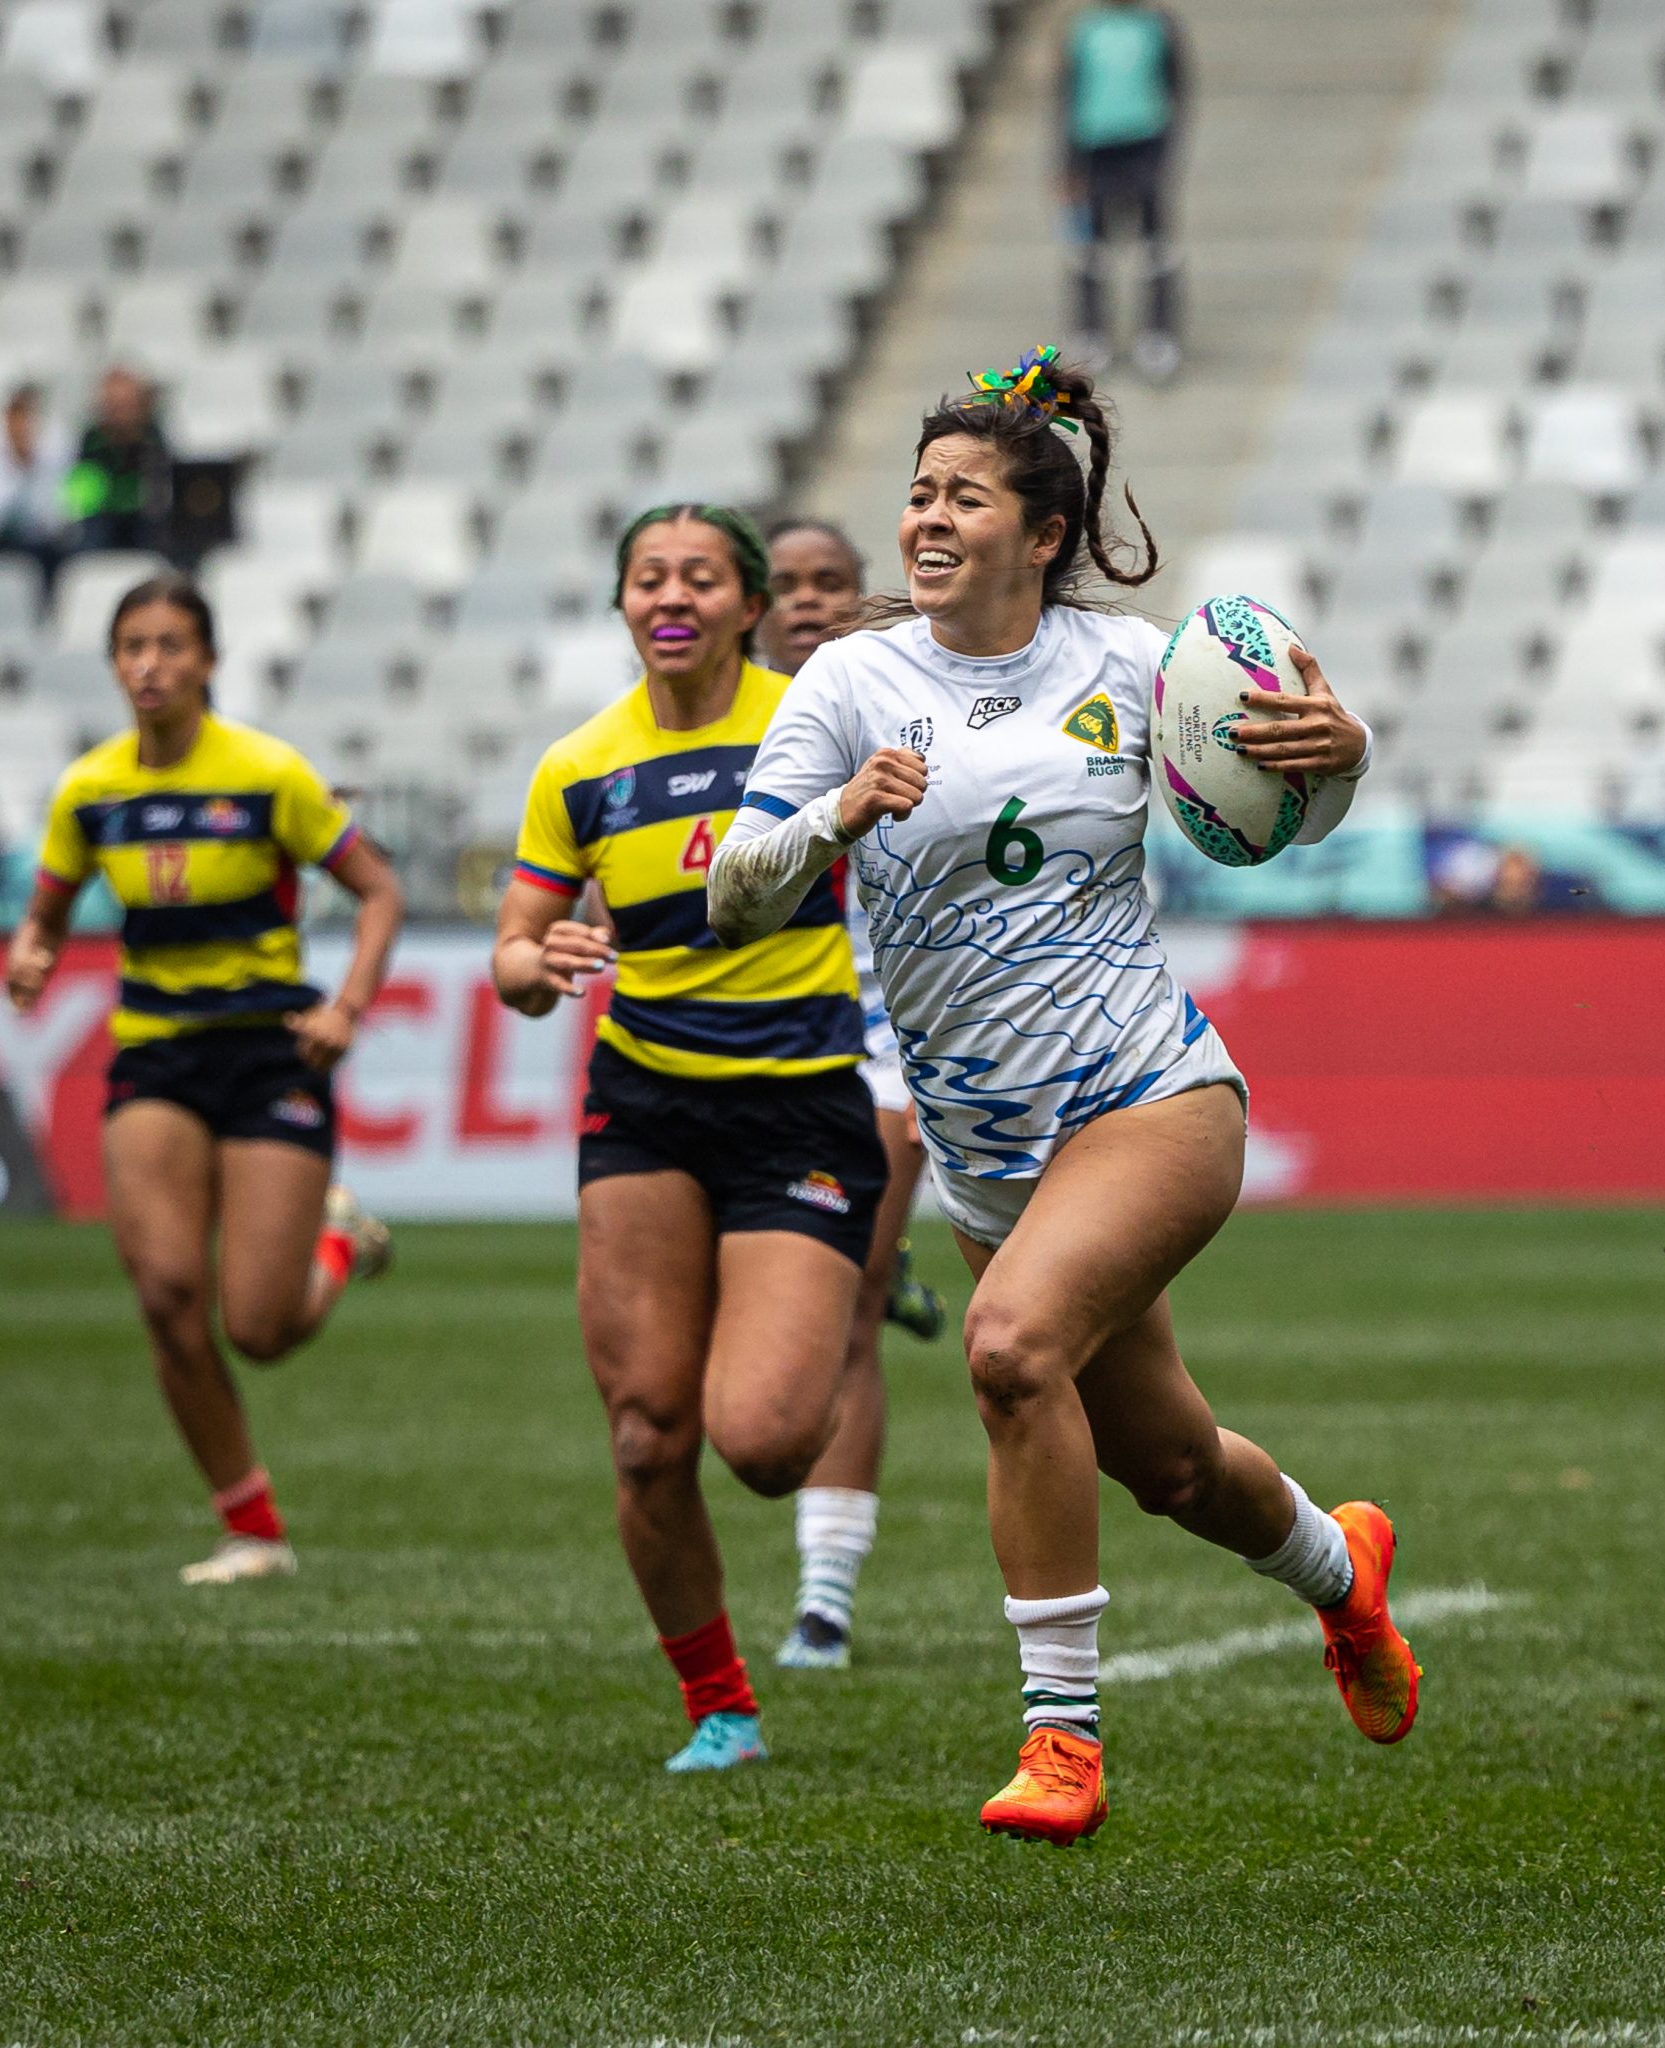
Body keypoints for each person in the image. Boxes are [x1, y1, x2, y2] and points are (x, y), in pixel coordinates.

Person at [709, 346, 1419, 1845]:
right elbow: (733, 893)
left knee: (1010, 1348)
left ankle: (1062, 1744)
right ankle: (1345, 1578)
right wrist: (835, 815)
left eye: (963, 495)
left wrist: (1344, 753)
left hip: (1152, 1095)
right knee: (1165, 1465)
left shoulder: (1136, 667)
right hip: (989, 1155)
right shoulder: (847, 681)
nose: (926, 519)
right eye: (918, 492)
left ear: (1043, 534)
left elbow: (1285, 809)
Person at [491, 505, 886, 1773]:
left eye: (701, 576)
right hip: (647, 1105)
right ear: (621, 603)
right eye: (649, 576)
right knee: (646, 1433)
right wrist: (533, 959)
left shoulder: (811, 714)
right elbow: (513, 944)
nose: (673, 594)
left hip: (803, 1097)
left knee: (764, 1444)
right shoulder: (577, 768)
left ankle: (807, 1311)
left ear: (747, 600)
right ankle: (719, 1702)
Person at [2, 574, 403, 1585]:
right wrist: (31, 951)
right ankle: (252, 1528)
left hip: (272, 1050)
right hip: (157, 1054)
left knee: (257, 1326)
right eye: (133, 645)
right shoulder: (90, 789)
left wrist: (345, 1006)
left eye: (171, 644)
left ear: (209, 662)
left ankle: (339, 1244)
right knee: (167, 1293)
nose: (150, 663)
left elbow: (378, 889)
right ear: (113, 664)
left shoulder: (268, 774)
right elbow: (46, 911)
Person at [755, 515, 947, 1675]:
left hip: (878, 1035)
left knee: (847, 1299)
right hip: (746, 1039)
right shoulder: (722, 730)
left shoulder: (895, 698)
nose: (811, 600)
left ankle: (823, 1594)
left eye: (832, 580)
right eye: (788, 583)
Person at [1059, 2, 1188, 383]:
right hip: (1093, 151)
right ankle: (1090, 333)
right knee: (1087, 249)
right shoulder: (1083, 29)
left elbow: (1177, 92)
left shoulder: (1158, 27)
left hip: (1145, 147)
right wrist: (1066, 165)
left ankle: (1159, 333)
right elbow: (1068, 98)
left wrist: (1167, 155)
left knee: (1157, 249)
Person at [0, 380, 74, 584]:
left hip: (38, 549)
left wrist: (31, 465)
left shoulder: (56, 446)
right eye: (15, 417)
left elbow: (58, 519)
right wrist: (13, 469)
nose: (21, 427)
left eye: (28, 417)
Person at [65, 365, 173, 558]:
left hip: (145, 519)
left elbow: (159, 488)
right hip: (102, 518)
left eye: (126, 405)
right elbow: (84, 496)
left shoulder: (153, 437)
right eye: (114, 407)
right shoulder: (92, 439)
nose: (120, 414)